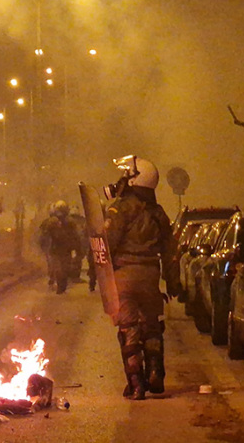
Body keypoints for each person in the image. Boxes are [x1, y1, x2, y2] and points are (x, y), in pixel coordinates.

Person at [103, 155, 182, 400]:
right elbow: (170, 251)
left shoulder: (119, 208)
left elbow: (107, 243)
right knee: (152, 326)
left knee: (128, 329)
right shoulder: (158, 212)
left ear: (135, 179)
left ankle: (136, 383)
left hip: (124, 275)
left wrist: (100, 275)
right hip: (150, 276)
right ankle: (156, 373)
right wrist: (172, 281)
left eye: (127, 175)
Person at [38, 200, 82, 294]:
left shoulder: (53, 221)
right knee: (62, 268)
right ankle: (61, 286)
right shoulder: (66, 221)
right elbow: (76, 236)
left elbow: (44, 235)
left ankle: (61, 286)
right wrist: (77, 249)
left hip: (58, 248)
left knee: (61, 268)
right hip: (62, 248)